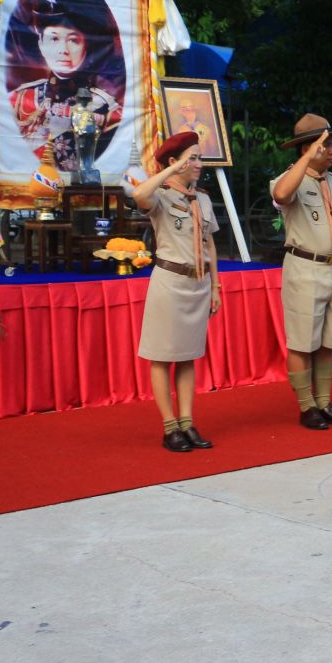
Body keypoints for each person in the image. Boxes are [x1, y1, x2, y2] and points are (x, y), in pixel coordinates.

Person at [132, 132, 220, 452]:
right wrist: (169, 171)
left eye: (199, 158)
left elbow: (209, 245)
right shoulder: (161, 195)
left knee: (187, 356)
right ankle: (170, 427)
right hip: (169, 282)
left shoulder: (203, 199)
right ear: (174, 162)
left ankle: (187, 422)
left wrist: (216, 286)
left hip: (198, 285)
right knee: (161, 356)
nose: (199, 164)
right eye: (192, 158)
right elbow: (139, 194)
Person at [270, 115, 332, 430]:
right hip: (305, 268)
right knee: (302, 342)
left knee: (328, 342)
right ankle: (306, 406)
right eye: (324, 144)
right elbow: (281, 196)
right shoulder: (288, 179)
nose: (331, 150)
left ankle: (324, 402)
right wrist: (307, 158)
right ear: (305, 148)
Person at [8, 0, 124, 172]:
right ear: (41, 44)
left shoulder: (108, 108)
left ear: (86, 46)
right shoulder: (18, 99)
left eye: (73, 40)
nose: (63, 50)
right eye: (53, 38)